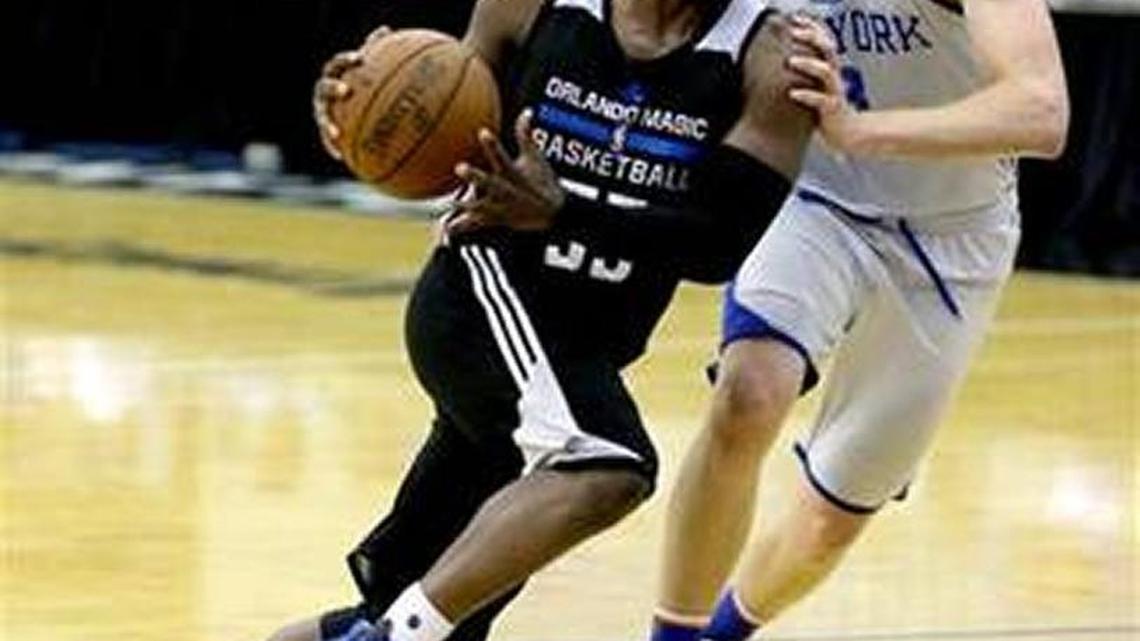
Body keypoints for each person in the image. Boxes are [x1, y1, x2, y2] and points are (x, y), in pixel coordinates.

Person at [270, 0, 821, 639]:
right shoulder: (532, 6)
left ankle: (390, 629)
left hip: (578, 353)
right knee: (608, 463)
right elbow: (428, 109)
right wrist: (351, 105)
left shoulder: (772, 56)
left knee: (409, 610)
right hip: (483, 296)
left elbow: (717, 245)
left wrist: (565, 214)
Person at [650, 0, 1070, 639]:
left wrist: (863, 129)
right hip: (812, 196)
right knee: (748, 395)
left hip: (948, 239)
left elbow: (1041, 110)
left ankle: (725, 632)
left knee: (827, 525)